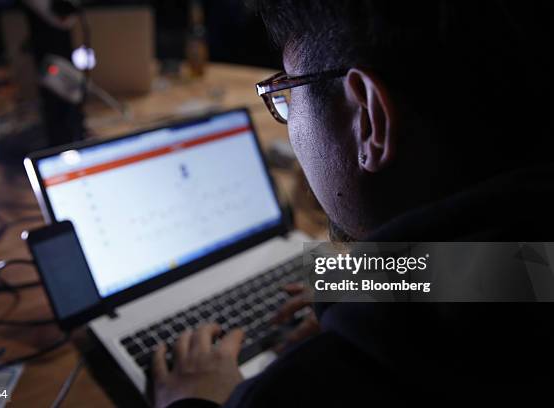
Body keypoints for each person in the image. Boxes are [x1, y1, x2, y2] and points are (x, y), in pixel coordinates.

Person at [150, 1, 554, 407]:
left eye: (289, 92)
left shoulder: (309, 388)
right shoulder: (533, 246)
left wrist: (202, 400)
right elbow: (528, 269)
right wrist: (381, 286)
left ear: (369, 119)